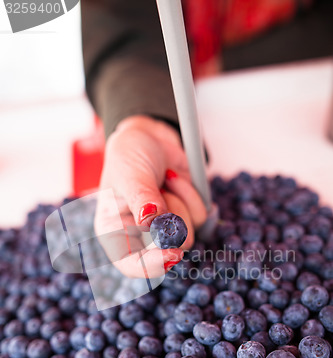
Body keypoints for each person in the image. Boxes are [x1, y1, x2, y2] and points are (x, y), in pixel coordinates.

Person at [80, 0, 332, 278]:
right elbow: (120, 25)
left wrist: (231, 62)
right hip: (159, 85)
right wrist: (143, 122)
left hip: (291, 80)